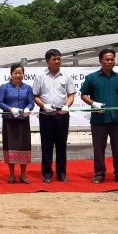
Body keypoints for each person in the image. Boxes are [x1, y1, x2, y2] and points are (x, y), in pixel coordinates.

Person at [80, 48, 118, 184]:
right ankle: (99, 173)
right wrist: (93, 103)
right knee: (99, 148)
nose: (110, 62)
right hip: (98, 120)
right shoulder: (92, 78)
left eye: (112, 59)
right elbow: (83, 95)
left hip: (116, 119)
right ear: (100, 61)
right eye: (107, 59)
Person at [32, 49, 76, 183]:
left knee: (61, 145)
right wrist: (44, 106)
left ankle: (62, 173)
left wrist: (67, 106)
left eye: (59, 59)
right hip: (46, 114)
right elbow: (35, 96)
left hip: (62, 114)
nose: (57, 61)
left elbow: (71, 95)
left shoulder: (66, 76)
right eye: (54, 59)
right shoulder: (40, 77)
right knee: (47, 145)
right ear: (47, 61)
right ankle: (47, 173)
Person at [0, 63, 35, 184]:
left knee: (24, 146)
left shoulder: (28, 88)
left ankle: (23, 174)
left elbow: (31, 102)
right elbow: (0, 102)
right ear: (11, 74)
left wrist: (28, 108)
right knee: (10, 147)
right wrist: (10, 109)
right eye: (15, 73)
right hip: (9, 121)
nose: (18, 75)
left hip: (23, 121)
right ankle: (12, 174)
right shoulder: (4, 87)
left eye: (20, 73)